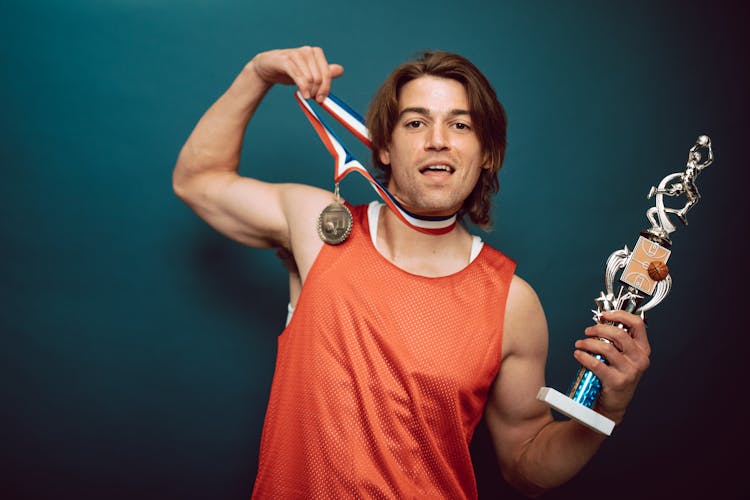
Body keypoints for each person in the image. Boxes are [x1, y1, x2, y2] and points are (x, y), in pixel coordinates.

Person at [173, 46, 651, 498]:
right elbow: (198, 181)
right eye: (416, 121)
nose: (437, 140)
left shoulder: (512, 303)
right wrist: (257, 74)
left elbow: (526, 467)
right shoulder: (317, 229)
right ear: (384, 147)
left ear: (487, 153)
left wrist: (609, 408)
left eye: (460, 125)